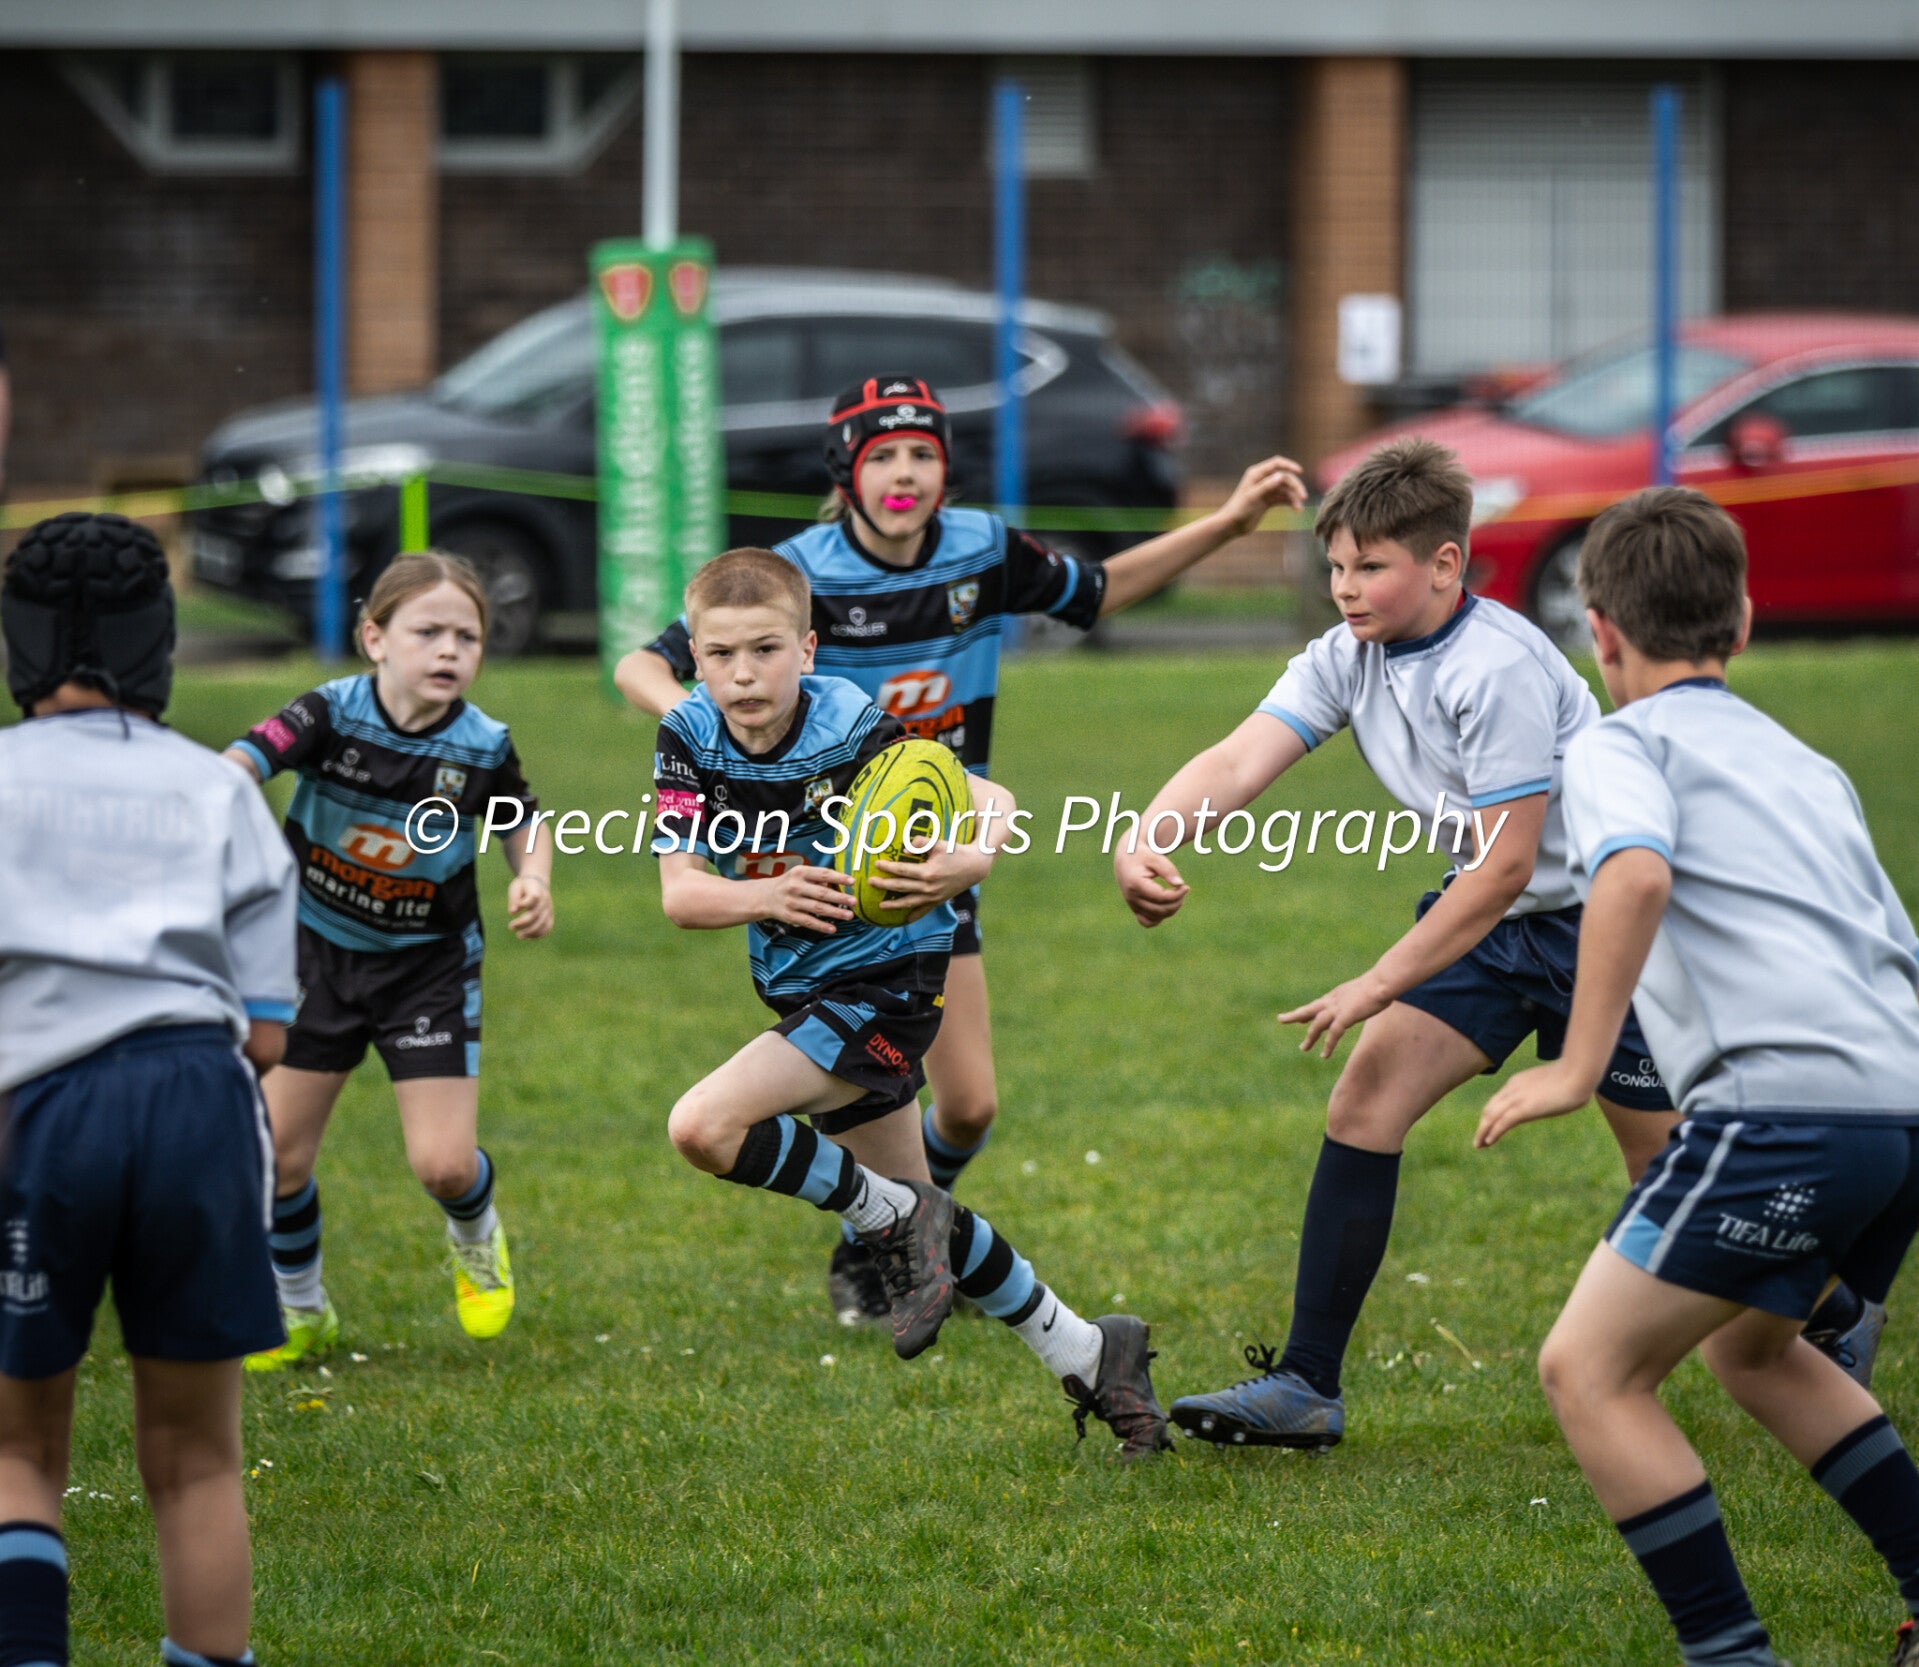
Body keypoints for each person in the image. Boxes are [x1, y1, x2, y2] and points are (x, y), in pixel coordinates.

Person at [618, 375, 1305, 1323]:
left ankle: (893, 1234)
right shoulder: (790, 574)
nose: (904, 473)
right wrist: (722, 740)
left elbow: (1098, 591)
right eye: (883, 455)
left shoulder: (982, 550)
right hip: (823, 865)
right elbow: (642, 664)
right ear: (846, 473)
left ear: (946, 469)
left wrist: (1227, 524)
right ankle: (896, 1241)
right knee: (853, 1080)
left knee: (970, 1105)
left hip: (936, 853)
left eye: (923, 454)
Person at [1115, 435, 1683, 1450]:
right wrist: (1146, 834)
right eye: (1334, 564)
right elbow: (1240, 758)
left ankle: (1824, 1310)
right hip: (1493, 927)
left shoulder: (1496, 666)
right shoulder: (1350, 652)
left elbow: (1504, 864)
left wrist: (1375, 981)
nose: (1344, 587)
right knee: (1365, 1097)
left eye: (1369, 566)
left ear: (1443, 563)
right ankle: (1306, 1384)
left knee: (1667, 1170)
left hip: (1605, 923)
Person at [1476, 486, 1919, 1667]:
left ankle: (1729, 1656)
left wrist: (1575, 1065)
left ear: (1598, 630)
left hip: (1781, 1113)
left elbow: (1630, 875)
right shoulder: (1805, 762)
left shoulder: (1617, 743)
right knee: (1750, 1349)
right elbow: (1892, 941)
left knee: (1588, 1369)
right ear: (1744, 620)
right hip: (1897, 1112)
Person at [651, 545, 1170, 1457]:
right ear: (695, 657)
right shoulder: (687, 735)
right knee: (923, 1210)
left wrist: (972, 858)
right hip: (806, 984)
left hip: (889, 977)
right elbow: (681, 894)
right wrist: (768, 895)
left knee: (703, 1126)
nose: (745, 673)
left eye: (766, 649)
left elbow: (988, 795)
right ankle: (1095, 1354)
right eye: (722, 653)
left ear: (808, 649)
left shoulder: (851, 722)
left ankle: (890, 1221)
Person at [0, 512, 298, 1667]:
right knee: (196, 1458)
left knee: (20, 1448)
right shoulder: (215, 789)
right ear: (154, 640)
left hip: (38, 1109)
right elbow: (267, 1032)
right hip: (200, 1104)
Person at [225, 553, 554, 1368]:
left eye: (467, 637)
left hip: (425, 969)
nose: (449, 650)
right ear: (374, 637)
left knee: (443, 1165)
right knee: (278, 1159)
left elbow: (523, 819)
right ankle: (301, 1309)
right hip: (311, 956)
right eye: (428, 631)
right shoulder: (328, 713)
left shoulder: (481, 746)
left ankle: (476, 1238)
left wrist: (533, 877)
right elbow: (242, 762)